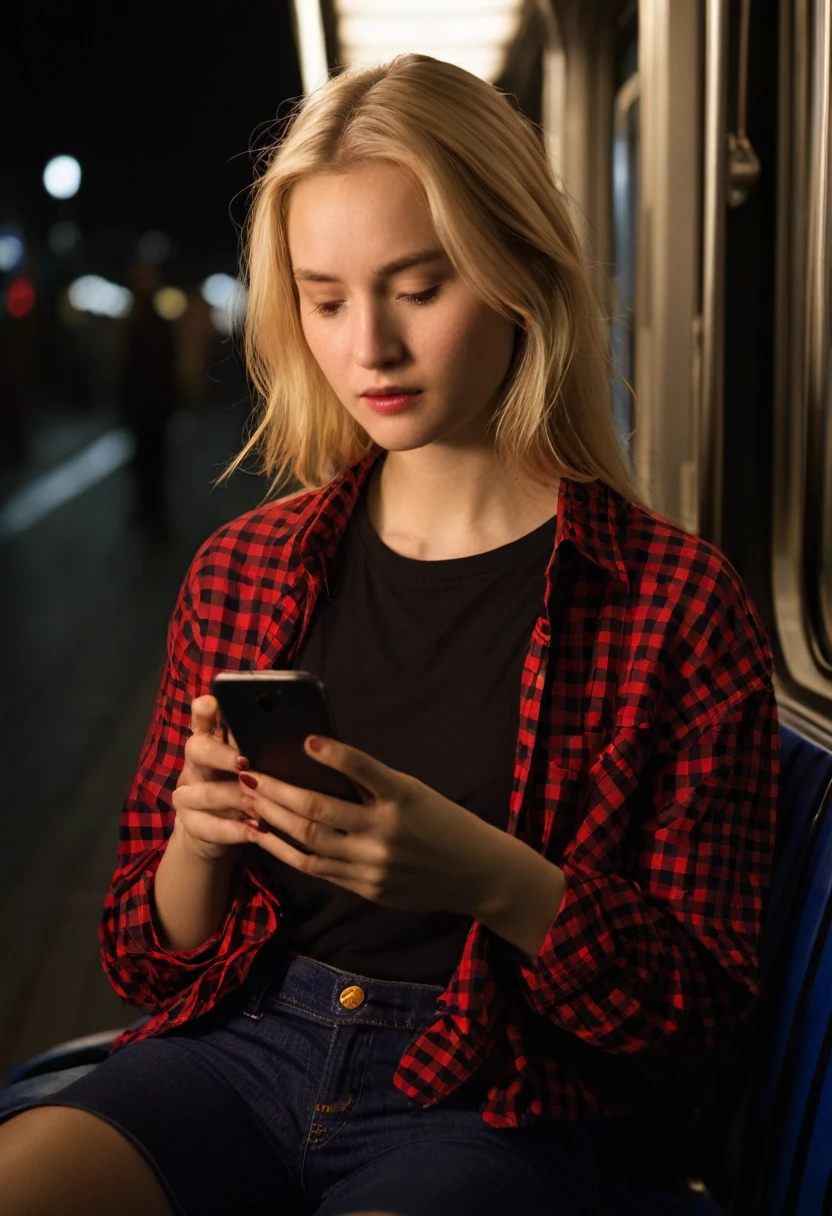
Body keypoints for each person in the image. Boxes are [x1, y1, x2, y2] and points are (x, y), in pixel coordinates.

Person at [0, 54, 779, 1216]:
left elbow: (697, 1024)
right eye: (324, 298)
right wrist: (197, 845)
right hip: (238, 1048)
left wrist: (494, 881)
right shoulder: (245, 569)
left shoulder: (674, 599)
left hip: (498, 1096)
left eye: (416, 287)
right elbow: (140, 953)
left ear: (517, 270)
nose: (368, 346)